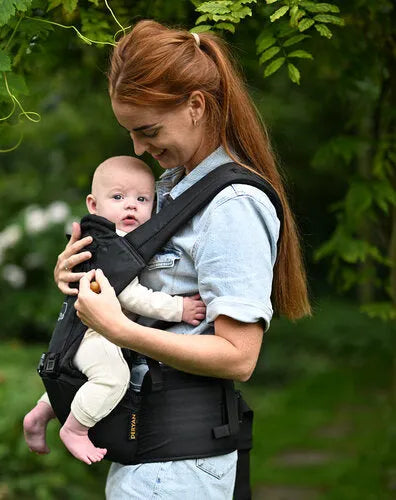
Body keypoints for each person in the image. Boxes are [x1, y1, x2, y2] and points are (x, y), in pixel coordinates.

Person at [34, 20, 311, 499]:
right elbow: (143, 283)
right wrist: (79, 269)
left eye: (148, 130)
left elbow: (239, 357)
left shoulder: (232, 206)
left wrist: (122, 330)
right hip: (152, 457)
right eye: (130, 133)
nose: (138, 148)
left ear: (196, 106)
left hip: (178, 464)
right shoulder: (167, 193)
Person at [23, 155, 206, 465]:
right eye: (118, 197)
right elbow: (130, 294)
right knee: (113, 377)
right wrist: (179, 308)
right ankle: (75, 430)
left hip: (76, 335)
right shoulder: (113, 246)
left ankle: (41, 412)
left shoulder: (101, 240)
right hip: (95, 335)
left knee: (78, 377)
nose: (131, 205)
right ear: (93, 204)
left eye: (142, 198)